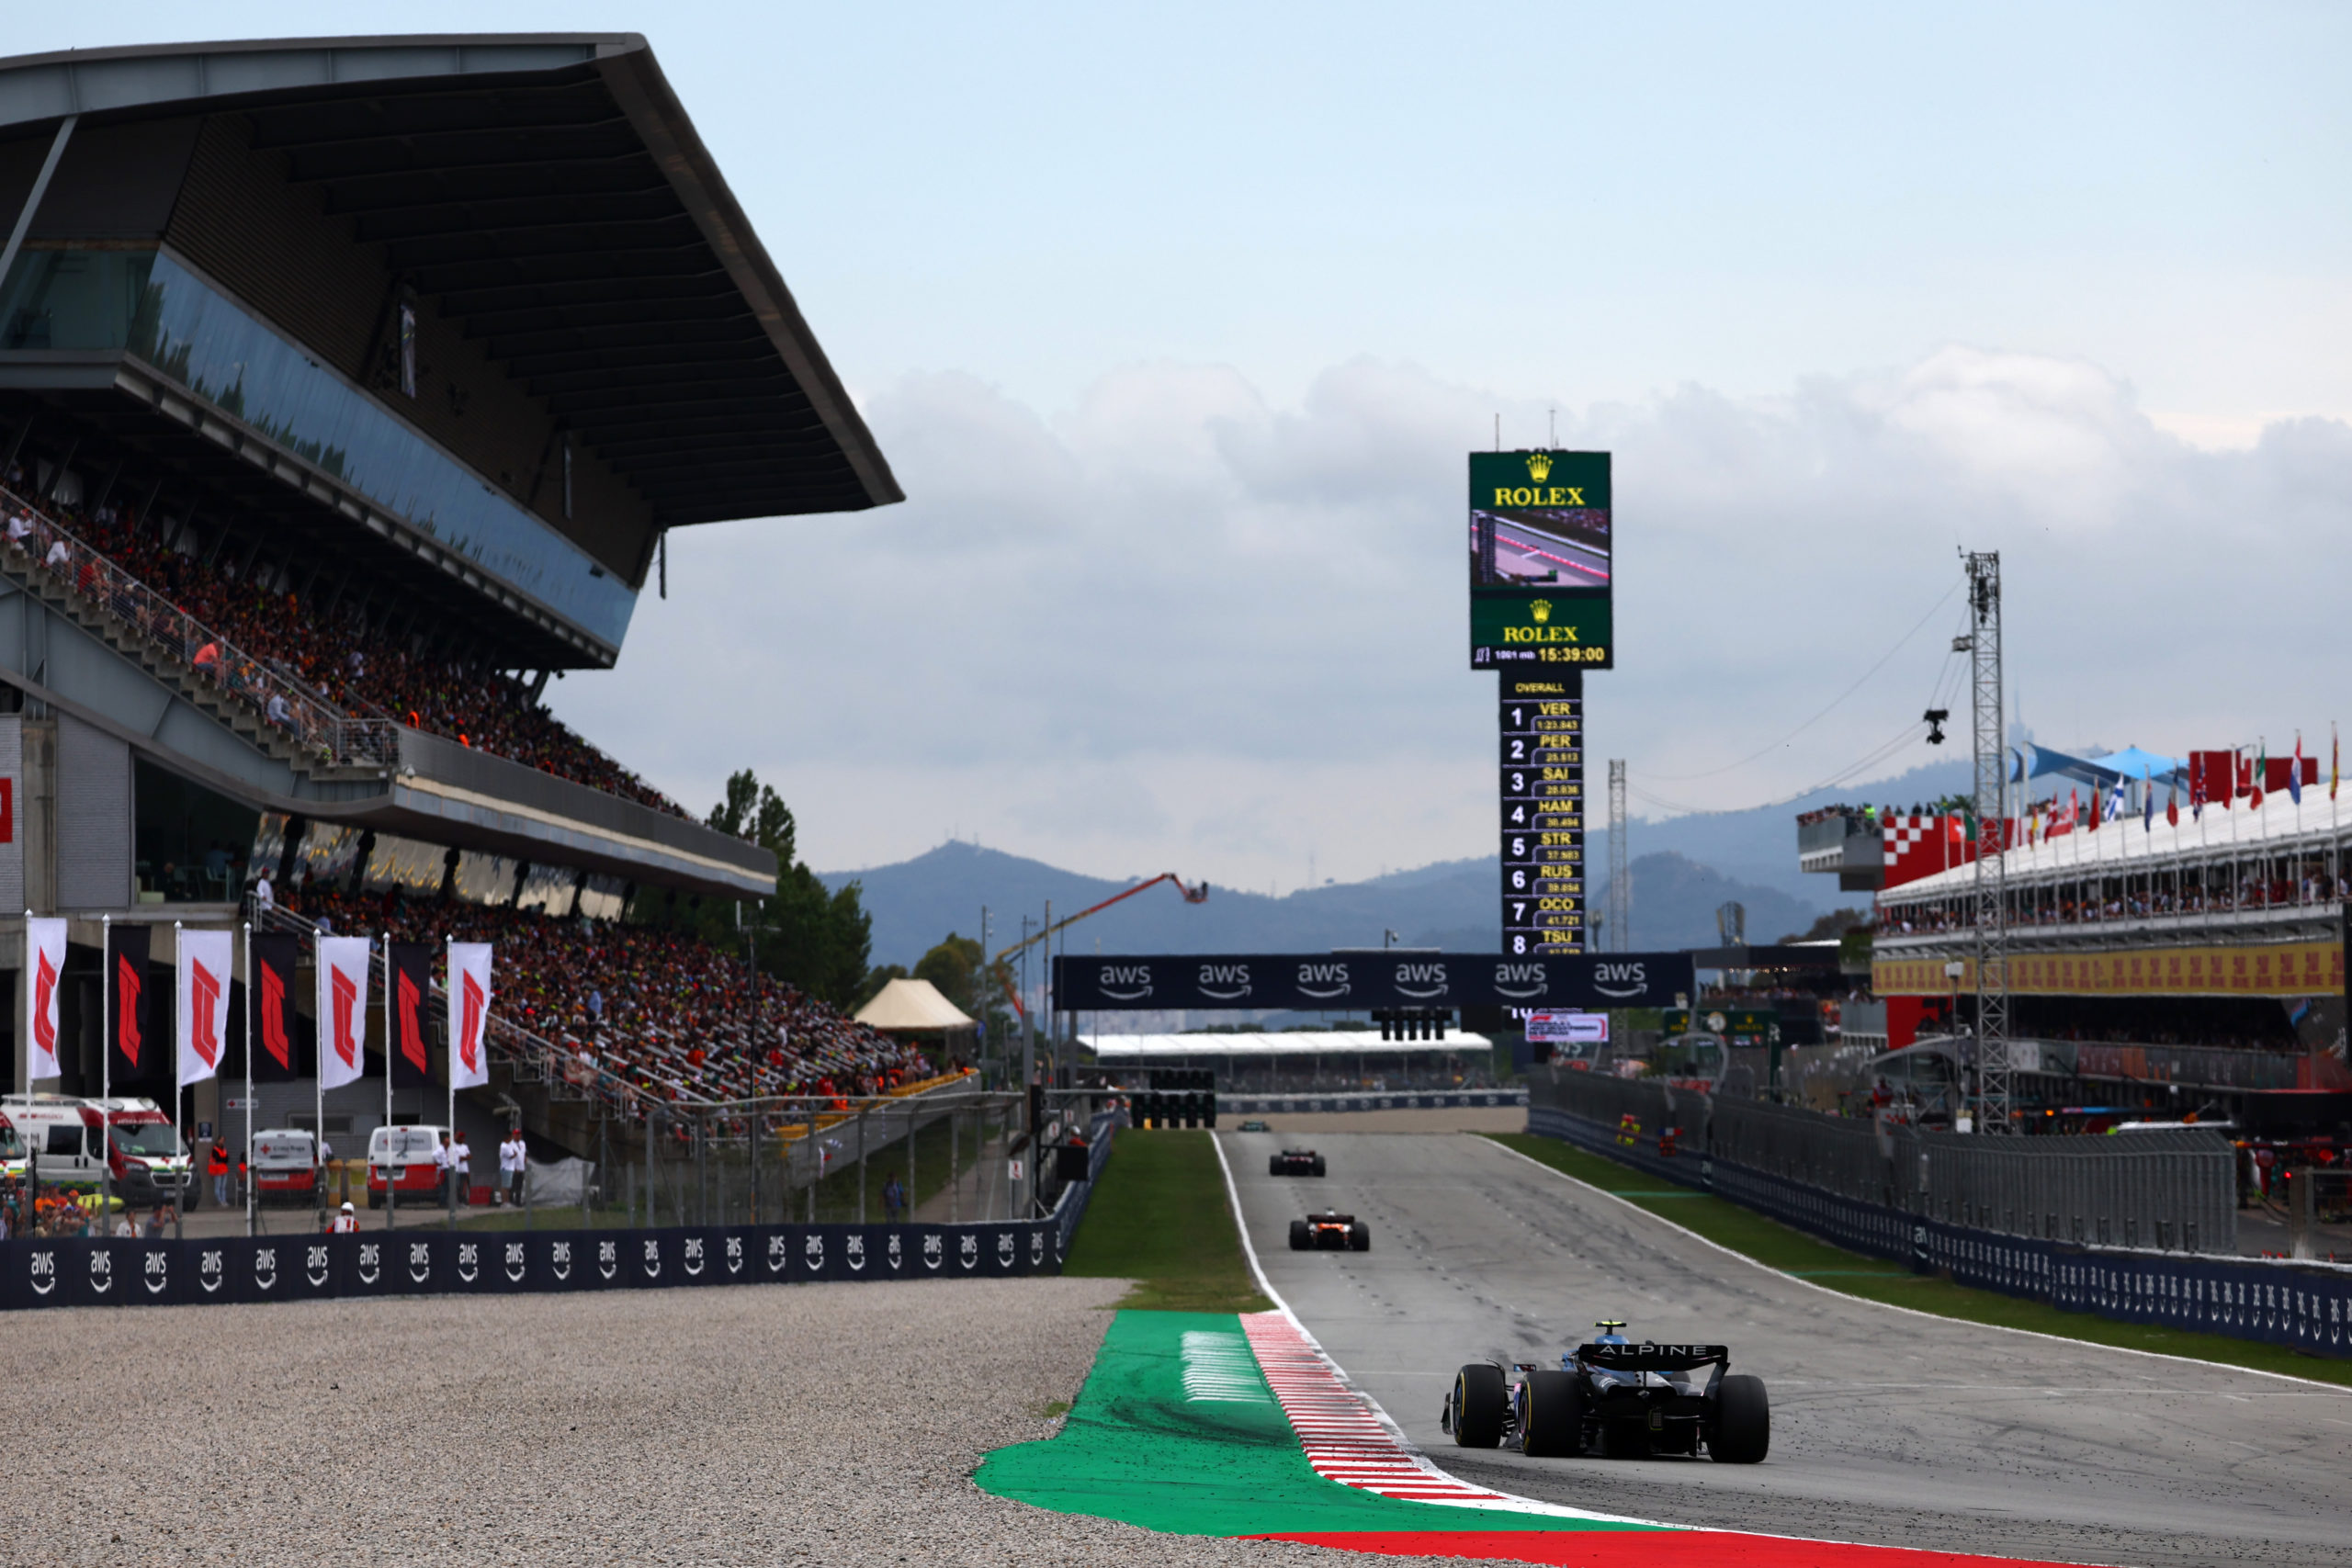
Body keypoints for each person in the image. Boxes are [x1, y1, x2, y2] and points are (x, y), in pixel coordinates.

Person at [500, 1126, 527, 1207]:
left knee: (519, 1186)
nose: (518, 1136)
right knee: (512, 1186)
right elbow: (511, 1156)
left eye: (519, 1134)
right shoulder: (510, 1144)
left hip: (521, 1167)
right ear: (513, 1135)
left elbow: (523, 1153)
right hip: (514, 1168)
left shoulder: (522, 1143)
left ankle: (518, 1202)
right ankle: (510, 1201)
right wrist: (515, 1167)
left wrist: (525, 1159)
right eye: (516, 1134)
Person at [209, 1139, 232, 1210]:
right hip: (217, 1171)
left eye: (223, 1141)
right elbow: (217, 1158)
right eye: (221, 1140)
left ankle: (224, 1201)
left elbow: (227, 1159)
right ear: (217, 1141)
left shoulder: (224, 1149)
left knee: (223, 1187)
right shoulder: (215, 1150)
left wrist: (222, 1159)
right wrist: (223, 1159)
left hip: (224, 1170)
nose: (222, 1142)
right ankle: (220, 1201)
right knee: (218, 1187)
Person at [451, 1129, 471, 1206]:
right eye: (461, 1137)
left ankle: (464, 1201)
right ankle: (459, 1201)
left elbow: (469, 1156)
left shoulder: (465, 1146)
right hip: (457, 1170)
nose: (462, 1139)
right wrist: (462, 1158)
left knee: (464, 1187)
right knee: (458, 1187)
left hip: (464, 1170)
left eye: (463, 1138)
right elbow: (457, 1158)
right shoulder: (454, 1146)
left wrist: (463, 1158)